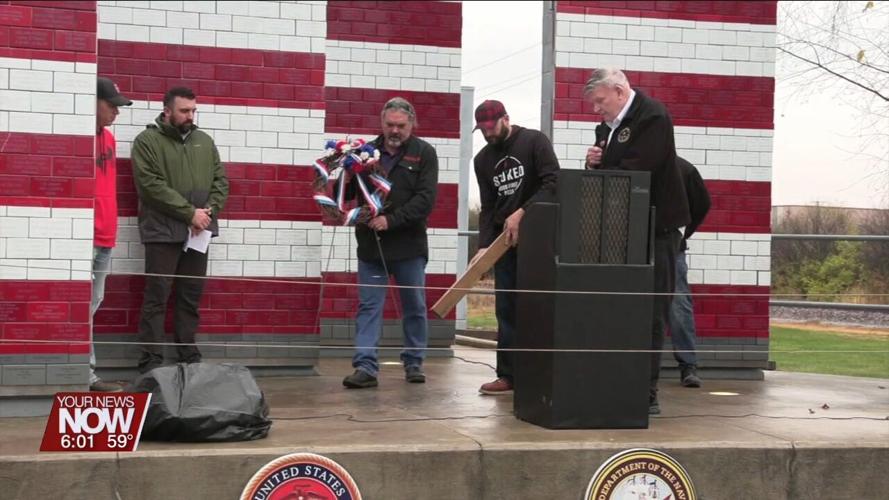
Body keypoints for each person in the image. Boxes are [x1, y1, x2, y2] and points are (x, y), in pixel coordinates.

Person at [583, 68, 690, 414]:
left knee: (653, 311)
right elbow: (609, 175)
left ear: (618, 90)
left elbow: (636, 171)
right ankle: (615, 380)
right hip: (621, 230)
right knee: (619, 307)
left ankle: (647, 391)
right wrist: (593, 164)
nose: (596, 109)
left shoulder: (653, 116)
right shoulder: (606, 129)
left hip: (657, 229)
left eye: (600, 101)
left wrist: (608, 166)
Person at [342, 97, 439, 389]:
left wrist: (391, 220)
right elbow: (347, 194)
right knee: (369, 306)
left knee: (414, 305)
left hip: (409, 246)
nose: (394, 131)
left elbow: (426, 200)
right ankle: (366, 367)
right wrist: (347, 175)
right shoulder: (363, 153)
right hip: (372, 246)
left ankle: (413, 362)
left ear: (412, 124)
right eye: (389, 125)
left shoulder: (425, 153)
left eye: (401, 126)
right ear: (382, 123)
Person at [131, 87, 229, 373]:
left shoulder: (204, 141)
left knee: (190, 294)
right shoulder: (147, 141)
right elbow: (150, 186)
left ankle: (188, 356)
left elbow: (221, 181)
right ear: (168, 111)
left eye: (193, 110)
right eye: (184, 111)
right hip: (162, 232)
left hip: (198, 232)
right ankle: (151, 363)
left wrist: (209, 211)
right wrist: (189, 213)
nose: (190, 116)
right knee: (157, 296)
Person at [472, 100, 560, 395]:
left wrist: (522, 211)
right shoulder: (482, 159)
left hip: (539, 239)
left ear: (506, 119)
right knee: (506, 309)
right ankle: (507, 375)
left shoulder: (534, 141)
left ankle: (540, 374)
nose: (487, 134)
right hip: (504, 244)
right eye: (482, 130)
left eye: (491, 127)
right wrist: (484, 246)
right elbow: (487, 206)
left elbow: (553, 182)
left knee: (538, 306)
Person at [89, 77, 132, 392]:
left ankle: (85, 372)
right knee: (83, 307)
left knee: (93, 303)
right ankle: (87, 375)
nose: (116, 112)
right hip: (86, 237)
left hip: (105, 234)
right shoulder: (78, 139)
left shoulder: (109, 140)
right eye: (111, 105)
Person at [670, 156, 711, 388]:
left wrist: (683, 234)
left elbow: (702, 204)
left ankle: (688, 365)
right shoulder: (632, 161)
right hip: (632, 248)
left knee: (678, 304)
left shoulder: (684, 169)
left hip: (671, 247)